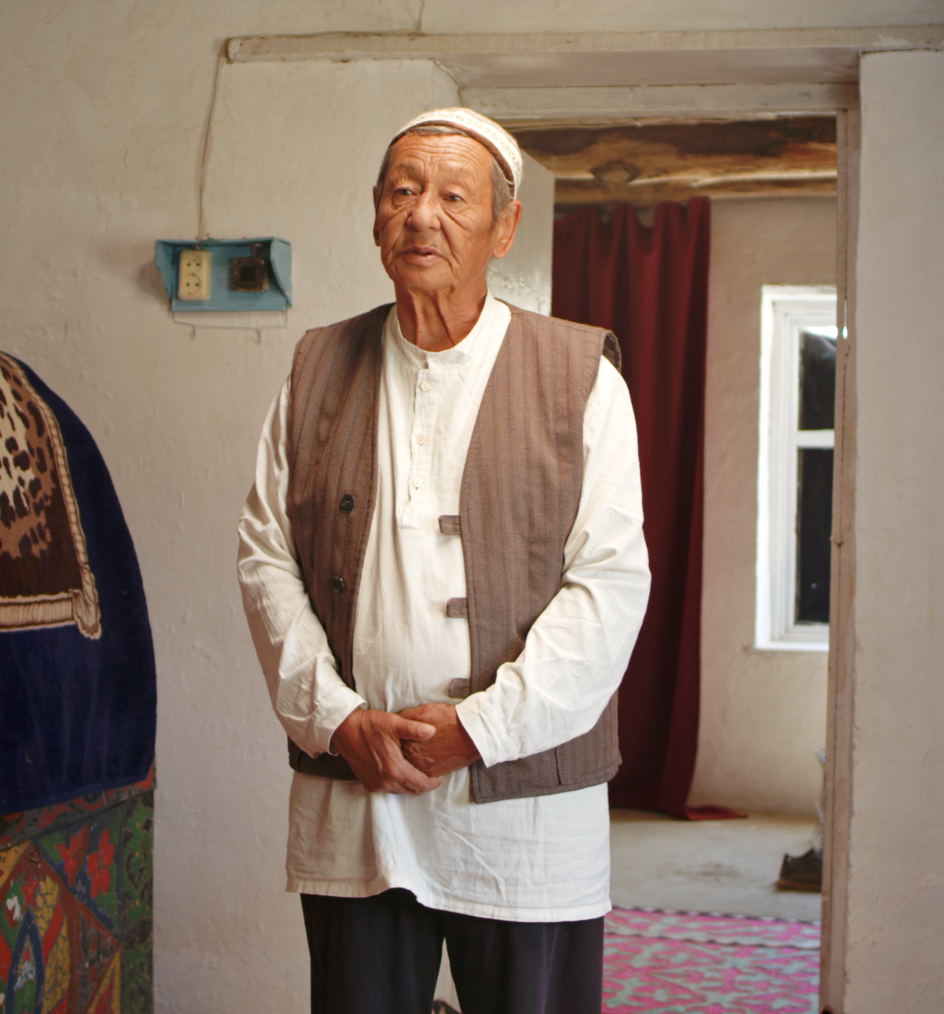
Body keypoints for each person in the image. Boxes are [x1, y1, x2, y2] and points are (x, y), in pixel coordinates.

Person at [236, 106, 651, 1014]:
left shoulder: (582, 378)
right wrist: (339, 720)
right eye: (402, 191)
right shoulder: (314, 369)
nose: (422, 214)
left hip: (525, 819)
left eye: (453, 197)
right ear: (375, 214)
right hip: (358, 800)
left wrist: (483, 729)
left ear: (504, 227)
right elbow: (266, 559)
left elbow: (610, 584)